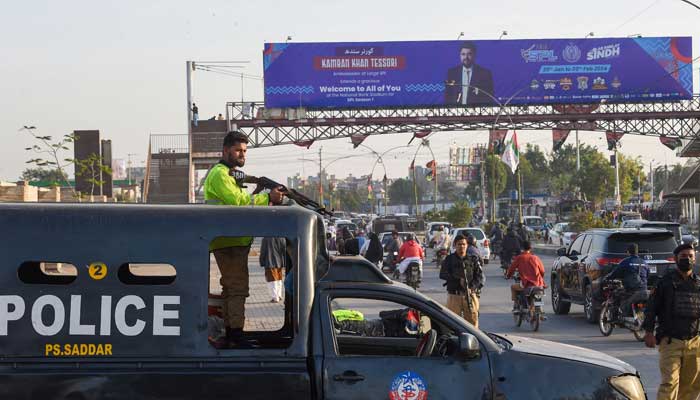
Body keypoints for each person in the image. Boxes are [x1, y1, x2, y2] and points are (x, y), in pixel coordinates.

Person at [204, 130, 284, 348]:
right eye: (238, 150)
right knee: (237, 289)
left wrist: (258, 191)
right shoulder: (220, 174)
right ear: (225, 150)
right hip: (228, 241)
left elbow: (242, 199)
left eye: (245, 151)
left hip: (232, 240)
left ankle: (232, 333)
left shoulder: (228, 174)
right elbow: (238, 202)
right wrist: (267, 196)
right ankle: (236, 337)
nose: (242, 155)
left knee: (232, 289)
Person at [643, 243, 700, 399]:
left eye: (690, 256)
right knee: (669, 383)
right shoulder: (664, 282)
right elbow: (651, 308)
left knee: (692, 385)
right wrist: (648, 332)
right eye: (683, 256)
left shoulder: (698, 283)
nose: (687, 259)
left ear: (695, 259)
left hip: (694, 342)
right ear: (676, 259)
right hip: (670, 342)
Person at [439, 235, 485, 328]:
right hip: (454, 296)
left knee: (473, 323)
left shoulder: (473, 259)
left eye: (464, 244)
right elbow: (442, 274)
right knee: (452, 324)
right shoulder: (449, 259)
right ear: (455, 245)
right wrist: (457, 280)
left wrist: (472, 287)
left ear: (467, 245)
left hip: (470, 295)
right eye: (459, 244)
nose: (462, 246)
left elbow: (480, 276)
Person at [602, 244, 649, 318]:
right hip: (644, 289)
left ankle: (615, 317)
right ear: (637, 252)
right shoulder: (644, 262)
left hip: (631, 290)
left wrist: (607, 278)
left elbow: (615, 272)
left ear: (628, 252)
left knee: (615, 293)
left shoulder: (625, 262)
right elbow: (647, 275)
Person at [444, 41, 495, 106]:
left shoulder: (485, 74)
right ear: (460, 55)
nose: (466, 57)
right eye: (463, 54)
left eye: (469, 54)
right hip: (456, 112)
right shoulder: (452, 73)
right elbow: (448, 96)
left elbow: (489, 97)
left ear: (474, 55)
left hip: (477, 112)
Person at [505, 241, 546, 312]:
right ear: (531, 248)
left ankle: (516, 307)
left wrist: (508, 276)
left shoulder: (519, 258)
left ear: (522, 248)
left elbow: (511, 269)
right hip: (538, 284)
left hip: (526, 283)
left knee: (513, 287)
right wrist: (540, 278)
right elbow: (542, 271)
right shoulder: (536, 258)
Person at [259, 236, 286, 303]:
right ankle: (279, 295)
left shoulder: (266, 238)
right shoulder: (281, 237)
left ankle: (275, 297)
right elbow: (284, 250)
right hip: (279, 262)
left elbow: (263, 251)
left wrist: (261, 261)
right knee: (279, 279)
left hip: (269, 261)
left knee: (271, 280)